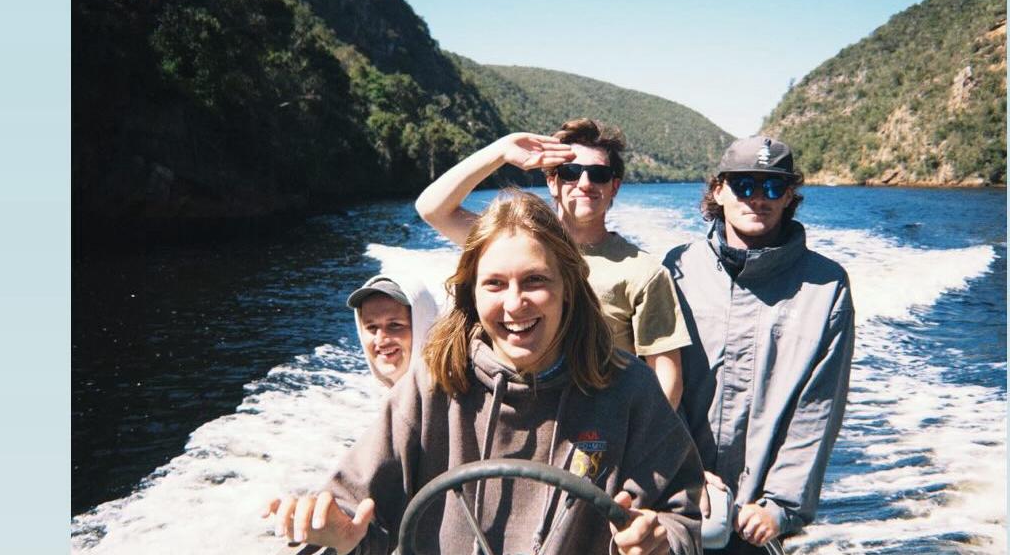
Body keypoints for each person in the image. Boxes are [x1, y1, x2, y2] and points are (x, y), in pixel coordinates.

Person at [266, 191, 704, 554]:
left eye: (535, 280)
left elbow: (683, 519)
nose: (515, 304)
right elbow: (355, 513)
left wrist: (660, 539)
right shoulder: (432, 382)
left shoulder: (627, 388)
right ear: (471, 294)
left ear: (567, 288)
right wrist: (339, 535)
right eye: (495, 284)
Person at [415, 118, 692, 408]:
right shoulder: (513, 245)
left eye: (598, 175)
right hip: (515, 421)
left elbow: (667, 376)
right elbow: (432, 208)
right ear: (552, 181)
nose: (584, 184)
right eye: (571, 172)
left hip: (595, 435)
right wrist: (500, 151)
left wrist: (636, 442)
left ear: (614, 187)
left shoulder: (643, 272)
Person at [663, 136, 855, 553]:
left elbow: (817, 409)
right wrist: (684, 470)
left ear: (790, 195)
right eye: (744, 185)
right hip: (677, 506)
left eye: (772, 187)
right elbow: (656, 384)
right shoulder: (675, 271)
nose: (758, 198)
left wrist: (780, 506)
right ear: (719, 190)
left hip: (757, 521)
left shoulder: (826, 287)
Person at [347, 274, 439, 388]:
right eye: (371, 327)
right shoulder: (359, 397)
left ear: (424, 326)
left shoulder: (453, 401)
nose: (381, 341)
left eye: (395, 325)